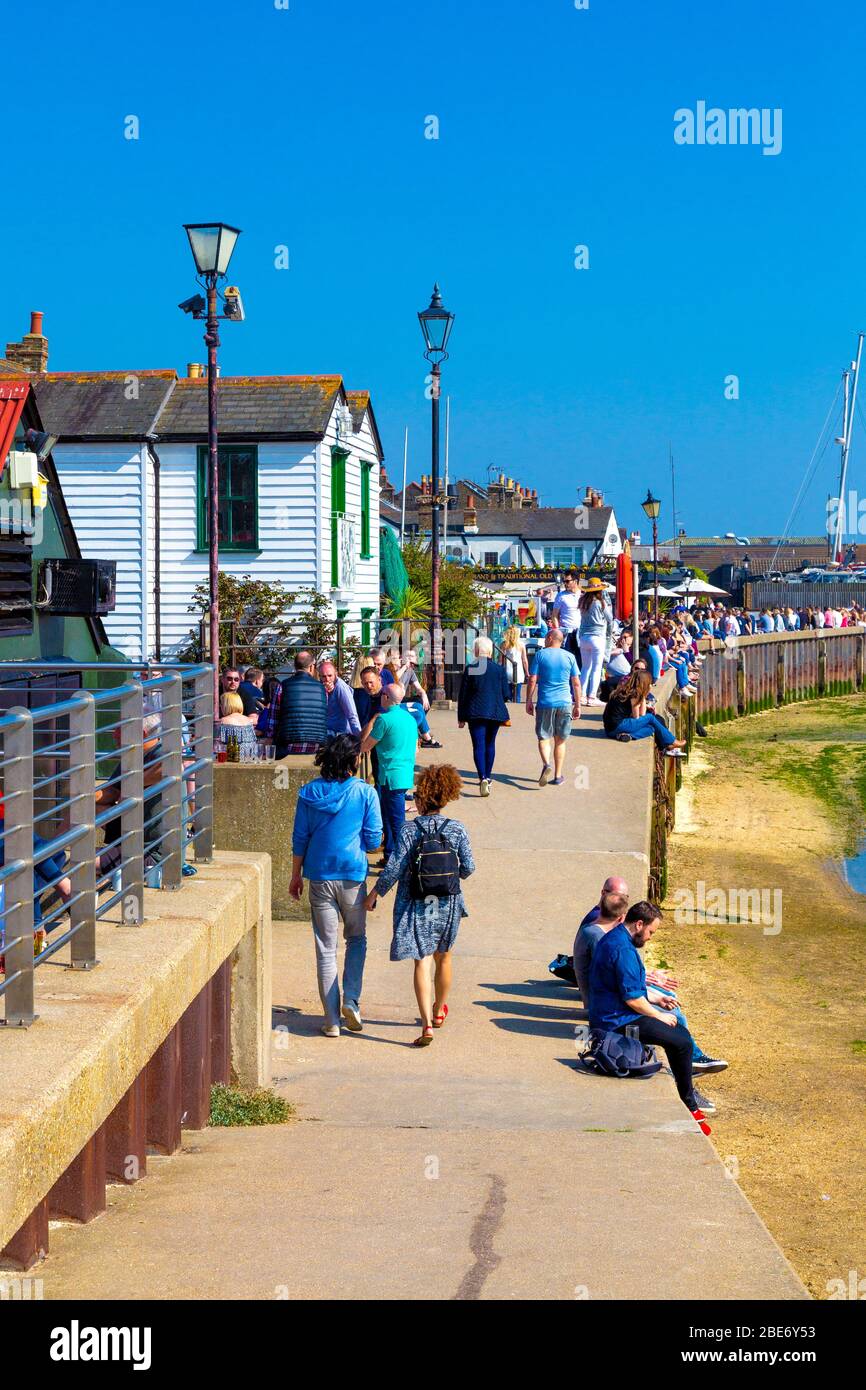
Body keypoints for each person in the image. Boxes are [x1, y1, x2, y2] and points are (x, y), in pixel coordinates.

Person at [364, 764, 475, 1047]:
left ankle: (427, 1025)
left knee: (422, 960)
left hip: (415, 901)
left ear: (422, 796)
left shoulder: (409, 829)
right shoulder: (457, 829)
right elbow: (469, 868)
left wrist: (375, 892)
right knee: (444, 957)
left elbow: (394, 868)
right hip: (448, 902)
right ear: (448, 794)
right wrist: (450, 876)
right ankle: (439, 1011)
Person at [289, 734, 383, 1037]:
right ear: (353, 761)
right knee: (356, 939)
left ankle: (331, 1020)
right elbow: (372, 840)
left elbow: (299, 838)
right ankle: (351, 1001)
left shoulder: (308, 793)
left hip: (318, 874)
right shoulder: (365, 793)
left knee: (325, 948)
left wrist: (295, 875)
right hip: (353, 876)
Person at [589, 901, 716, 1116]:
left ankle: (687, 1093)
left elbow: (628, 988)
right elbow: (633, 1000)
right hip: (616, 1022)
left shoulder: (617, 938)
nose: (650, 938)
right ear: (639, 924)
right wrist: (659, 1015)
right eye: (651, 932)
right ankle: (689, 1102)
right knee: (681, 1042)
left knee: (680, 1033)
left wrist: (658, 999)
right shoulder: (623, 950)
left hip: (615, 1012)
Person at [361, 682, 418, 864]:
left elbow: (366, 745)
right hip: (404, 774)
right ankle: (390, 855)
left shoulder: (384, 720)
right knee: (389, 816)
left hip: (389, 776)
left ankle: (401, 861)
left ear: (386, 697)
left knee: (395, 822)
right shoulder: (409, 719)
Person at [457, 635, 511, 796]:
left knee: (478, 745)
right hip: (494, 712)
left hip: (475, 713)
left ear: (476, 651)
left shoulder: (471, 668)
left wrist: (461, 717)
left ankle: (482, 778)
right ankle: (488, 775)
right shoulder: (499, 669)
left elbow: (463, 695)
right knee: (490, 744)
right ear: (490, 651)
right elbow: (506, 694)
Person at [526, 630, 581, 786]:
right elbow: (576, 683)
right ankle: (557, 775)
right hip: (564, 702)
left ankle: (546, 764)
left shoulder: (540, 655)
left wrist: (529, 700)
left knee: (544, 737)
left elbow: (532, 680)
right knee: (560, 741)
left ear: (550, 638)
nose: (544, 640)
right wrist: (577, 705)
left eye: (545, 637)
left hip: (545, 702)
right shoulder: (570, 657)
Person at [603, 669, 686, 755]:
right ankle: (672, 741)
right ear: (644, 683)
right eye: (649, 683)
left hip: (610, 730)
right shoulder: (634, 694)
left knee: (652, 728)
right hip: (618, 725)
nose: (651, 685)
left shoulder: (624, 690)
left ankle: (627, 736)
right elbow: (638, 716)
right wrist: (644, 696)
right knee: (650, 717)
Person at [573, 887, 629, 1011]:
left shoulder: (590, 929)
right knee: (674, 1014)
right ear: (621, 918)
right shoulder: (598, 938)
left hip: (598, 1000)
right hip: (603, 1008)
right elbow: (616, 975)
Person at [274, 651, 327, 757]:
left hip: (288, 745)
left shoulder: (283, 686)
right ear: (312, 667)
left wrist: (271, 737)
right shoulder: (322, 688)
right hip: (316, 744)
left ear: (295, 666)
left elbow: (273, 716)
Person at [578, 578, 613, 704]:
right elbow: (610, 618)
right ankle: (592, 697)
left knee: (585, 668)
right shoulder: (600, 603)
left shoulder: (582, 602)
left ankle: (581, 696)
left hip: (584, 637)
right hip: (597, 637)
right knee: (596, 668)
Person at [319, 660, 361, 737]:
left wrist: (358, 738)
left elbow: (352, 714)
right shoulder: (321, 687)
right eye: (324, 676)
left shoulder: (340, 688)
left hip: (341, 735)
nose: (327, 679)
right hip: (329, 732)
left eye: (330, 676)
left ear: (336, 674)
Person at [552, 571, 582, 662]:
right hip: (566, 632)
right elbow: (554, 615)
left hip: (580, 631)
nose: (565, 583)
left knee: (580, 659)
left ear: (575, 581)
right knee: (566, 660)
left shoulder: (583, 594)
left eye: (567, 581)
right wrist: (558, 631)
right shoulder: (561, 596)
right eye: (564, 581)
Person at [500, 624, 529, 703]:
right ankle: (517, 707)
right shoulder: (521, 644)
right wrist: (527, 673)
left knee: (507, 694)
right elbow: (524, 660)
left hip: (507, 671)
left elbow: (500, 660)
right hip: (518, 672)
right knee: (517, 695)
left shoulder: (504, 644)